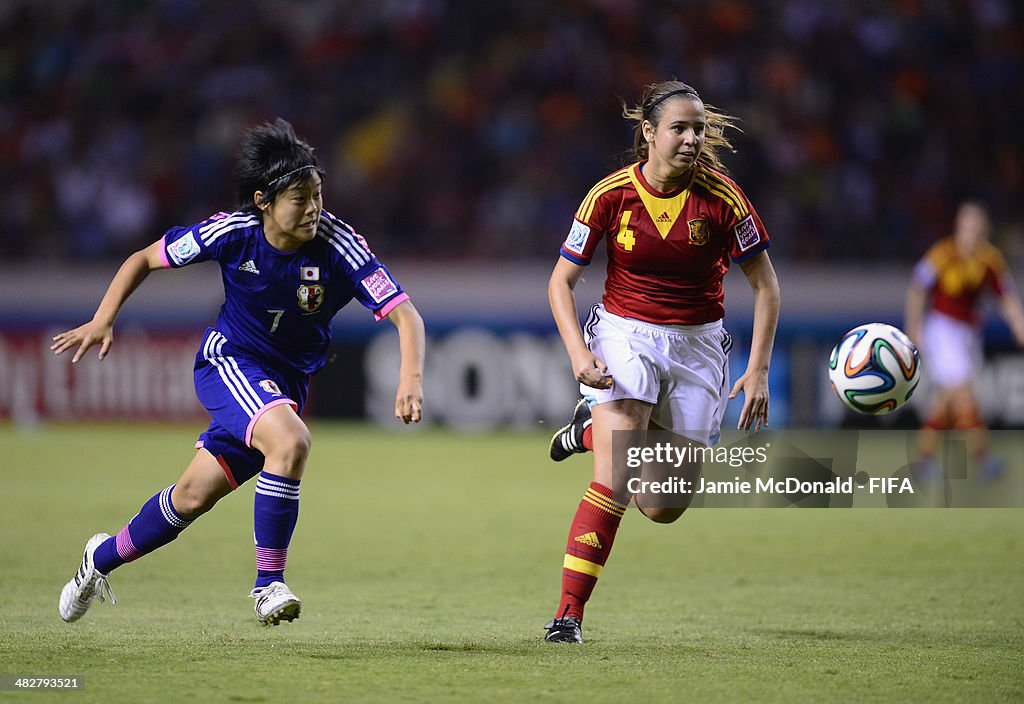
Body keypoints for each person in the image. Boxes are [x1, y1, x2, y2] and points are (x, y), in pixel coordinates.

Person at [52, 118, 425, 626]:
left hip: (283, 384)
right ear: (264, 201)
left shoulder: (338, 244)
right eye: (300, 198)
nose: (314, 208)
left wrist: (411, 378)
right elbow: (143, 258)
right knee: (291, 443)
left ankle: (97, 561)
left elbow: (405, 313)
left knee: (191, 497)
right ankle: (268, 583)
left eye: (317, 194)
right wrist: (103, 318)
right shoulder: (232, 232)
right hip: (229, 363)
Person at [543, 80, 780, 643]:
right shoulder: (608, 195)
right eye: (679, 127)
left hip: (699, 344)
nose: (692, 138)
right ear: (649, 133)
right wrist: (580, 353)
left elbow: (766, 287)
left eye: (698, 128)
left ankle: (588, 431)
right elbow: (561, 281)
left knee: (663, 505)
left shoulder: (724, 199)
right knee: (616, 481)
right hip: (627, 334)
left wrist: (760, 368)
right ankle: (567, 616)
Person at [904, 200, 1024, 480]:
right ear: (959, 227)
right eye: (968, 226)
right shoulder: (942, 254)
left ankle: (923, 459)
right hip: (943, 331)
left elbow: (1006, 296)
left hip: (969, 335)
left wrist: (1018, 323)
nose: (972, 232)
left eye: (977, 227)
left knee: (946, 401)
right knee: (963, 391)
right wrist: (914, 326)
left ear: (985, 230)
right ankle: (983, 458)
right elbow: (917, 289)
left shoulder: (989, 259)